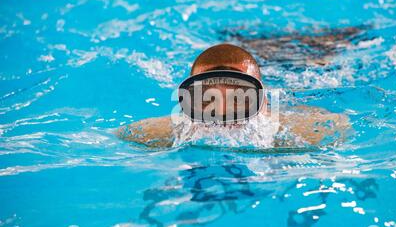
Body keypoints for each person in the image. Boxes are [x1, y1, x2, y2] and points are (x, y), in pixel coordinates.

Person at [116, 43, 350, 148]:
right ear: (186, 104)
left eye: (239, 100)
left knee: (319, 61)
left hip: (306, 80)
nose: (224, 118)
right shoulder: (156, 133)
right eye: (208, 102)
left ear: (263, 101)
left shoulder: (305, 131)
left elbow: (340, 126)